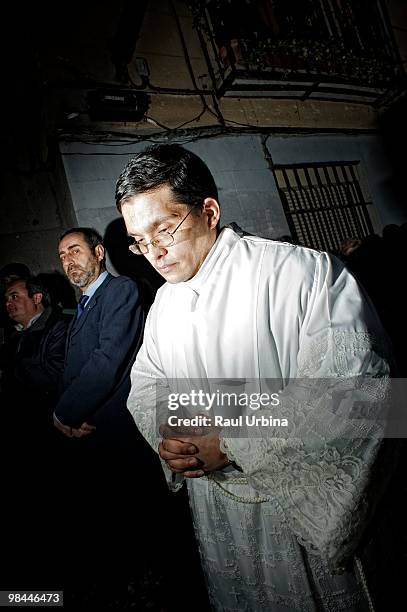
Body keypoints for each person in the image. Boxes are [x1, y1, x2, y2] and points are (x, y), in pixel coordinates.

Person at [115, 144, 398, 611]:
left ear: (208, 210)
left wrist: (229, 441)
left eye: (164, 229)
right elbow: (148, 385)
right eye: (139, 240)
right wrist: (170, 432)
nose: (154, 252)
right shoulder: (164, 303)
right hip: (217, 510)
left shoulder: (301, 273)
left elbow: (366, 398)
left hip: (293, 514)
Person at [53, 227, 165, 599]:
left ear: (99, 252)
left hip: (121, 434)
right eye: (62, 256)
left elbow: (107, 361)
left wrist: (64, 413)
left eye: (74, 250)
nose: (68, 260)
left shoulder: (120, 291)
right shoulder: (80, 309)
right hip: (92, 435)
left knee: (142, 526)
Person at [1, 276, 68, 587]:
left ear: (37, 298)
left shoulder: (57, 327)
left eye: (15, 296)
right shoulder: (16, 337)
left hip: (52, 433)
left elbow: (55, 372)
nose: (8, 304)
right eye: (6, 300)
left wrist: (13, 371)